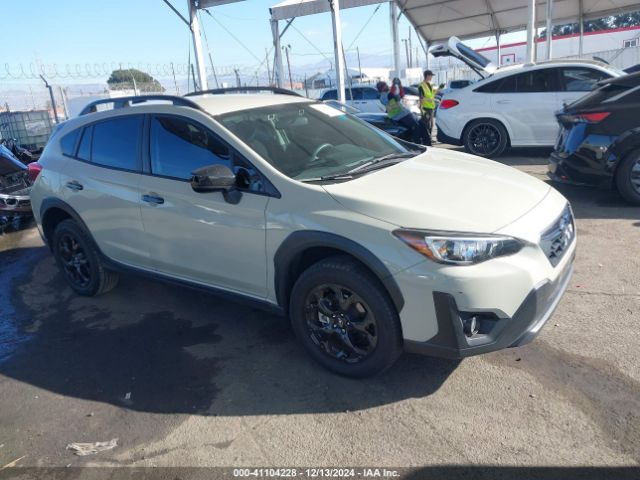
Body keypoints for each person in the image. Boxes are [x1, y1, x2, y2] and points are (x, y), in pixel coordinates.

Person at [377, 79, 420, 144]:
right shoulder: (384, 96)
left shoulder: (388, 94)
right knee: (415, 127)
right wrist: (394, 89)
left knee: (409, 129)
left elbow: (398, 97)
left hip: (403, 114)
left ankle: (408, 142)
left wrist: (398, 87)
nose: (387, 86)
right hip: (400, 116)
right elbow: (391, 99)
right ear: (382, 88)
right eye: (385, 86)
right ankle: (416, 144)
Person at [419, 70, 436, 146]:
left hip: (431, 108)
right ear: (427, 76)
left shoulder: (429, 84)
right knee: (427, 126)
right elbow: (421, 98)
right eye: (431, 75)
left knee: (431, 125)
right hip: (425, 108)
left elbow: (432, 95)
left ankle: (429, 139)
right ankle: (426, 142)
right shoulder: (421, 86)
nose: (432, 77)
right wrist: (428, 100)